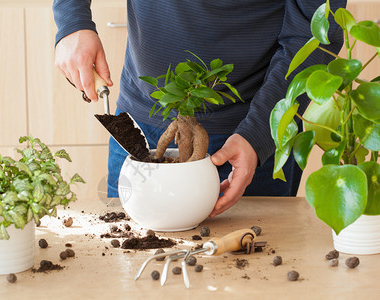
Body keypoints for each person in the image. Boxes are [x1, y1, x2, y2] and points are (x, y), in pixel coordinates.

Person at [53, 0, 346, 217]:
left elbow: (314, 36)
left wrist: (258, 136)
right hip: (141, 120)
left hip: (253, 137)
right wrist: (72, 21)